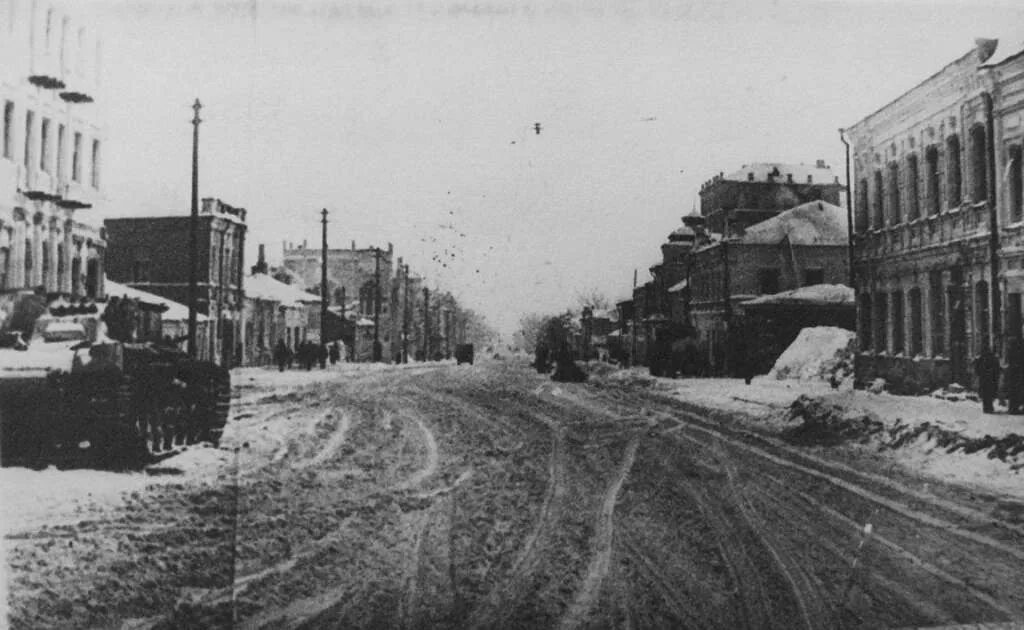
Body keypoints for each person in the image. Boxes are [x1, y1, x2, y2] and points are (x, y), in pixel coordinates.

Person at [974, 342, 1000, 414]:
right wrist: (996, 376)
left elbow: (977, 369)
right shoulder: (993, 358)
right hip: (991, 379)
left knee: (985, 395)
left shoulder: (981, 358)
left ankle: (986, 408)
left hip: (984, 379)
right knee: (990, 394)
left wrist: (980, 375)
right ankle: (990, 407)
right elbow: (997, 368)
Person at [1005, 336, 1024, 414]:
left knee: (1013, 391)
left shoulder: (1010, 351)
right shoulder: (1018, 351)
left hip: (1013, 374)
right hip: (1017, 373)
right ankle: (1014, 408)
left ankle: (1013, 408)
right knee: (1017, 391)